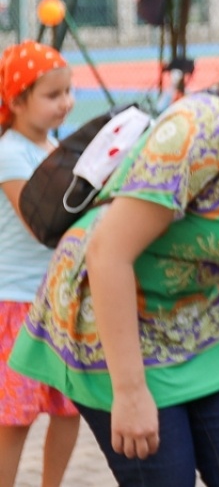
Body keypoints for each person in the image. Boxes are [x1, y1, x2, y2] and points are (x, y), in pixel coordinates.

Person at [7, 2, 219, 486]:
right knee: (166, 477)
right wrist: (130, 390)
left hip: (199, 315)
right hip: (114, 317)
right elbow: (107, 252)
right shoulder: (205, 129)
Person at [0, 43, 79, 487]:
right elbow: (38, 221)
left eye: (68, 92)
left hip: (57, 302)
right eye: (53, 95)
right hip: (16, 303)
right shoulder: (10, 152)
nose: (65, 103)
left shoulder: (54, 145)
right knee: (15, 418)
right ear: (16, 102)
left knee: (68, 409)